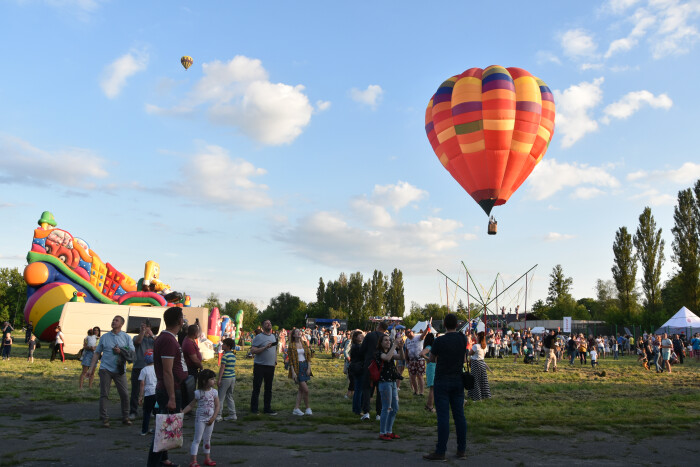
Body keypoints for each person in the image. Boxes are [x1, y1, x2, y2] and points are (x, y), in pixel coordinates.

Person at [147, 307, 188, 467]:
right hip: (167, 390)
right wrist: (171, 397)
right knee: (162, 431)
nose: (183, 320)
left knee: (166, 425)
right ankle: (153, 463)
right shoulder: (168, 340)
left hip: (168, 388)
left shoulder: (168, 338)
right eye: (182, 317)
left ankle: (164, 459)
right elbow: (167, 371)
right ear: (179, 320)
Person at [423, 314, 467, 461]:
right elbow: (465, 357)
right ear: (457, 324)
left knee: (443, 417)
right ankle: (461, 450)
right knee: (459, 416)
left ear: (444, 324)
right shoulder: (462, 339)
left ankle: (440, 451)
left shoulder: (439, 341)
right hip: (458, 379)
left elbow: (432, 359)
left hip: (442, 379)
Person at [87, 316, 135, 428]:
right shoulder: (104, 337)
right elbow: (97, 353)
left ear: (122, 324)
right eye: (113, 320)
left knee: (124, 394)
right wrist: (90, 368)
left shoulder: (126, 337)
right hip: (105, 369)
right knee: (104, 394)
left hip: (119, 370)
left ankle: (125, 417)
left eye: (116, 320)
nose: (113, 322)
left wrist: (121, 351)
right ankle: (104, 419)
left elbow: (132, 352)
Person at [183, 369, 220, 467]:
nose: (214, 381)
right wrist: (182, 413)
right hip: (200, 419)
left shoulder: (214, 392)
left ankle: (207, 458)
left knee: (207, 439)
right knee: (197, 439)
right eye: (211, 379)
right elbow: (191, 405)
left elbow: (217, 406)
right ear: (204, 381)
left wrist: (214, 417)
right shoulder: (198, 393)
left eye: (214, 379)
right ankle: (193, 461)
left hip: (211, 420)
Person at [375, 333, 404, 440]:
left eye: (389, 340)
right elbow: (387, 358)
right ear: (381, 343)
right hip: (384, 383)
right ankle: (382, 432)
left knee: (395, 408)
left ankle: (389, 431)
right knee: (386, 408)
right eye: (385, 340)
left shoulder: (390, 351)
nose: (388, 342)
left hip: (392, 382)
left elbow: (401, 357)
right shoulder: (378, 353)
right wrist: (394, 345)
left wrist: (400, 348)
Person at [359, 321, 388, 421]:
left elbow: (362, 350)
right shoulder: (386, 338)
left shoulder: (370, 335)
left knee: (366, 388)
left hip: (369, 364)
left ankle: (366, 412)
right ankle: (379, 414)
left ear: (378, 326)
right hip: (382, 366)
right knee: (380, 390)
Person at [249, 320, 278, 415]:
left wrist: (275, 360)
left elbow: (274, 349)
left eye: (270, 323)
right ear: (262, 326)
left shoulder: (273, 336)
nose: (269, 324)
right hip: (260, 366)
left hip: (270, 366)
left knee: (268, 388)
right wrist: (264, 348)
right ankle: (254, 409)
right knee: (257, 387)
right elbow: (253, 350)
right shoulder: (259, 337)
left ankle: (267, 409)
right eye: (266, 323)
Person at [130, 320, 155, 420]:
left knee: (151, 390)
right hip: (138, 367)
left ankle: (151, 410)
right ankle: (133, 411)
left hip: (151, 368)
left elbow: (159, 344)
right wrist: (142, 332)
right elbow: (138, 342)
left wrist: (151, 334)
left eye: (145, 326)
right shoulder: (136, 337)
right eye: (141, 326)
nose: (143, 328)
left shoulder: (154, 338)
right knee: (135, 391)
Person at [288, 328, 313, 416]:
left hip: (305, 366)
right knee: (305, 390)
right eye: (297, 332)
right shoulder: (291, 345)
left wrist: (309, 368)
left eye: (299, 332)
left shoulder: (304, 343)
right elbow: (290, 360)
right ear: (294, 335)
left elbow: (309, 356)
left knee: (301, 390)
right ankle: (307, 407)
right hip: (297, 367)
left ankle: (296, 408)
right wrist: (293, 372)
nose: (299, 333)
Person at [405, 324, 431, 396]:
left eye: (410, 331)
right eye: (407, 332)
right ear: (406, 335)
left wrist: (427, 328)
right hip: (411, 360)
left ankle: (421, 392)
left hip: (419, 359)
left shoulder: (418, 337)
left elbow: (424, 334)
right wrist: (407, 361)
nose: (409, 333)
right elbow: (406, 351)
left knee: (420, 376)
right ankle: (416, 391)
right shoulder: (407, 341)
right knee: (412, 377)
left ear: (412, 332)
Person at [182, 323, 203, 409]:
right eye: (197, 332)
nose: (198, 334)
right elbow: (194, 359)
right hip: (191, 369)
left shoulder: (190, 340)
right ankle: (187, 409)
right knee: (190, 390)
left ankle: (188, 408)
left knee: (191, 389)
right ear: (194, 334)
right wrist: (201, 366)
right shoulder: (188, 343)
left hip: (192, 369)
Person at [216, 338, 237, 421]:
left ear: (228, 346)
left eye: (224, 344)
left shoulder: (224, 356)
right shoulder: (233, 355)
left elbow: (222, 368)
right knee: (229, 396)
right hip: (232, 377)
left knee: (220, 397)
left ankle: (218, 415)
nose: (222, 345)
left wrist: (219, 379)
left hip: (226, 378)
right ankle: (233, 414)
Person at [467, 331, 491, 402]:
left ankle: (476, 397)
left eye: (477, 336)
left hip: (475, 364)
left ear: (479, 337)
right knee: (483, 380)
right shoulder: (485, 346)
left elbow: (469, 353)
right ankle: (485, 395)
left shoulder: (476, 346)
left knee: (475, 380)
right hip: (482, 364)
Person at [138, 351, 157, 436]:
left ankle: (144, 430)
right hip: (157, 393)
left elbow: (142, 384)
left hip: (148, 394)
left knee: (146, 413)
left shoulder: (144, 370)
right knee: (157, 413)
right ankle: (157, 429)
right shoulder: (157, 368)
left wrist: (140, 396)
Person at [349, 330, 365, 415]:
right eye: (360, 336)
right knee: (359, 390)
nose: (362, 337)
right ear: (355, 338)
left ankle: (356, 409)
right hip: (359, 369)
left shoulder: (355, 346)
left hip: (355, 368)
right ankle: (358, 410)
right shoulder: (358, 347)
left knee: (358, 390)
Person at [420, 332, 436, 412]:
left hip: (432, 367)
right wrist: (428, 358)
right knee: (432, 388)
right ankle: (430, 406)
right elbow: (421, 353)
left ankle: (429, 405)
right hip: (431, 367)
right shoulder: (429, 347)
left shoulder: (430, 347)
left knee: (433, 388)